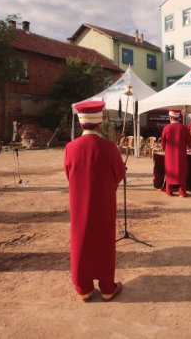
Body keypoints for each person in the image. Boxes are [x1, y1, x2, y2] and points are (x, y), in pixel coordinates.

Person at [64, 101, 126, 302]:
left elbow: (69, 174)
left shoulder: (70, 147)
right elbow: (118, 174)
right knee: (104, 241)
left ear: (81, 123)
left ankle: (83, 288)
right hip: (104, 202)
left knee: (81, 238)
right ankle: (107, 288)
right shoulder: (108, 147)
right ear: (99, 122)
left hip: (78, 202)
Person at [160, 109, 191, 197]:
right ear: (178, 117)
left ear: (170, 117)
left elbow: (163, 143)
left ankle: (169, 191)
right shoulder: (184, 128)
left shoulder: (166, 128)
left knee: (169, 171)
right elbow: (190, 141)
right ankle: (182, 192)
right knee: (181, 171)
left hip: (169, 155)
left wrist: (165, 149)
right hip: (181, 155)